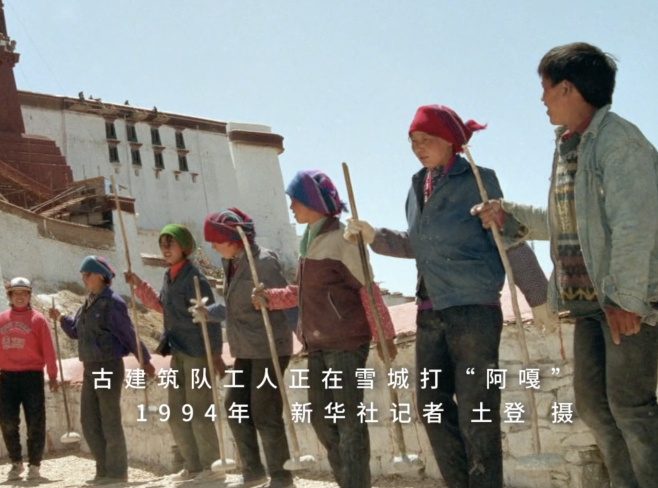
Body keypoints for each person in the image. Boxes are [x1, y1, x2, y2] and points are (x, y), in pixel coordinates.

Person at [473, 42, 658, 487]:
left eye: (546, 87)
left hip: (627, 300)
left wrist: (626, 299)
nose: (542, 99)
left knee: (630, 408)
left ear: (569, 88)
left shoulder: (620, 143)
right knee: (595, 407)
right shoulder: (570, 145)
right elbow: (567, 221)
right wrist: (508, 216)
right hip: (590, 302)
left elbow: (636, 224)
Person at [344, 105, 550, 488]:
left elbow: (506, 234)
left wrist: (537, 296)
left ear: (450, 141)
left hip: (473, 310)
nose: (418, 148)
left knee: (477, 410)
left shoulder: (478, 180)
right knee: (432, 408)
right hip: (430, 311)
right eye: (413, 141)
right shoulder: (416, 187)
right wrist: (374, 236)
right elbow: (419, 244)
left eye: (427, 140)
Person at [255, 170, 384, 488]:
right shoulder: (309, 242)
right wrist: (270, 298)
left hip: (346, 342)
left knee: (349, 420)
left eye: (295, 200)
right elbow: (303, 293)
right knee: (321, 419)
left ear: (313, 201)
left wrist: (385, 334)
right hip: (317, 344)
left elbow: (367, 288)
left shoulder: (343, 239)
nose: (291, 207)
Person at [193, 208, 295, 488]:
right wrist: (208, 312)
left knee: (265, 412)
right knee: (235, 406)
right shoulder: (231, 263)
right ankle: (253, 472)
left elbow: (286, 298)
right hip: (244, 349)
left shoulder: (264, 261)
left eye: (217, 241)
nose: (214, 247)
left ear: (233, 239)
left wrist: (269, 299)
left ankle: (282, 477)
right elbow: (234, 306)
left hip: (268, 347)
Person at [125, 224, 226, 483]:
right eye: (162, 244)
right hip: (178, 351)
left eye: (171, 243)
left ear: (185, 247)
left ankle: (212, 468)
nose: (165, 248)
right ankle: (193, 466)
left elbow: (211, 317)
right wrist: (139, 285)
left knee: (199, 411)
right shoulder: (169, 276)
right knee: (177, 412)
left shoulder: (195, 278)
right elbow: (163, 305)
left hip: (197, 352)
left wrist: (215, 353)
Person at [49, 255, 154, 485]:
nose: (83, 279)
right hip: (90, 367)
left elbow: (128, 333)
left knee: (109, 419)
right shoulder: (88, 303)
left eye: (87, 274)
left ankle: (116, 472)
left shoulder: (112, 302)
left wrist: (145, 360)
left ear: (100, 276)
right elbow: (76, 331)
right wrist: (61, 318)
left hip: (107, 365)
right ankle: (103, 469)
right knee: (89, 421)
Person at [0, 277, 59, 481]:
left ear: (29, 296)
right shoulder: (1, 319)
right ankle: (16, 462)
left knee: (35, 422)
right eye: (15, 293)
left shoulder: (38, 320)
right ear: (10, 296)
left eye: (24, 293)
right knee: (6, 420)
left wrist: (53, 375)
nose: (20, 297)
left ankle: (35, 465)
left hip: (32, 377)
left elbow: (48, 349)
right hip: (8, 378)